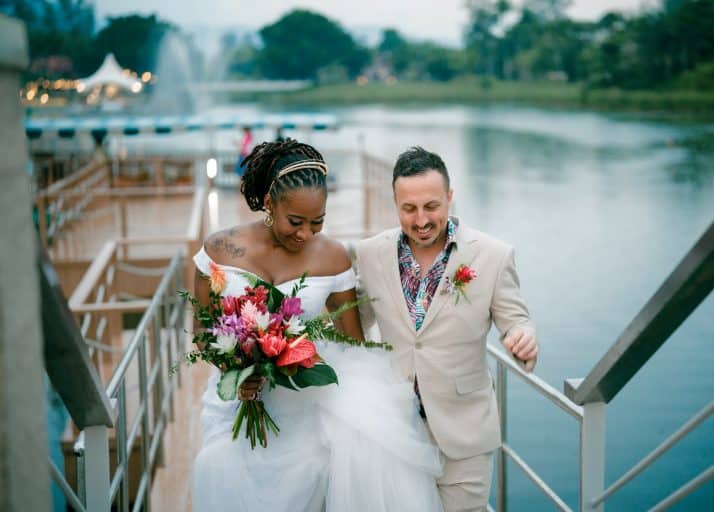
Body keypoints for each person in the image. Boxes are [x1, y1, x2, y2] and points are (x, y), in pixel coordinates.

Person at [191, 139, 443, 511]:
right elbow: (201, 332)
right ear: (270, 203)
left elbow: (355, 345)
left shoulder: (333, 257)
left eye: (317, 222)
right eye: (295, 222)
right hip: (239, 398)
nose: (306, 234)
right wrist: (236, 370)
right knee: (220, 465)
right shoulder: (220, 250)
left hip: (307, 402)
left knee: (324, 464)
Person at [355, 146, 539, 512]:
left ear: (450, 197)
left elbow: (515, 320)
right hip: (395, 430)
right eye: (409, 209)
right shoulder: (369, 254)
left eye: (432, 206)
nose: (421, 219)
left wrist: (524, 337)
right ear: (395, 203)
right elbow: (350, 328)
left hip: (464, 434)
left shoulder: (493, 254)